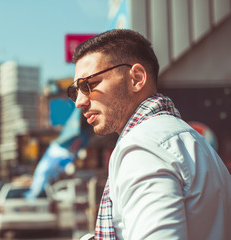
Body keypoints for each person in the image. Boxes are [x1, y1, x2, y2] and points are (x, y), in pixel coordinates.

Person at [67, 29, 231, 240]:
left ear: (136, 78)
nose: (80, 101)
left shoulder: (142, 148)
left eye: (90, 84)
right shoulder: (192, 140)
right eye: (75, 91)